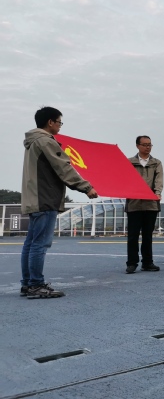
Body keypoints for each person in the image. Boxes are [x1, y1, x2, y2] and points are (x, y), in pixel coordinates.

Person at [21, 107, 98, 298]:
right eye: (59, 122)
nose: (60, 126)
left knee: (31, 244)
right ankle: (36, 285)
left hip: (34, 198)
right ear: (50, 122)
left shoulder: (32, 141)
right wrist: (86, 187)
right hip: (45, 198)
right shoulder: (46, 141)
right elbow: (64, 168)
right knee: (40, 244)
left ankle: (28, 284)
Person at [125, 136, 164, 274]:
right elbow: (124, 179)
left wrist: (157, 193)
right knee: (133, 236)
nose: (148, 147)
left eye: (150, 145)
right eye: (145, 144)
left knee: (147, 236)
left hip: (151, 204)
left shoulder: (156, 163)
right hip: (134, 203)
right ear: (137, 146)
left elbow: (159, 180)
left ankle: (147, 262)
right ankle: (132, 263)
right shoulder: (129, 162)